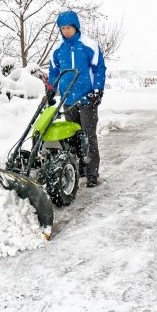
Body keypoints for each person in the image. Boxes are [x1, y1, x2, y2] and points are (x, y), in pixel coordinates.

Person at [46, 10, 106, 187]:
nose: (65, 31)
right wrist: (51, 88)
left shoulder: (88, 45)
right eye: (62, 28)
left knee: (88, 135)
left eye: (68, 27)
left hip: (87, 98)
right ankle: (77, 168)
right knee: (72, 135)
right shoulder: (58, 50)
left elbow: (99, 69)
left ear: (76, 27)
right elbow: (53, 72)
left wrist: (97, 90)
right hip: (68, 99)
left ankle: (92, 172)